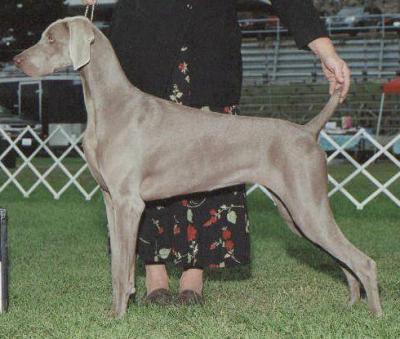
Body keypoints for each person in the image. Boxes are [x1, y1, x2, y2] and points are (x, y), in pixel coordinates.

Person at [82, 0, 351, 305]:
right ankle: (153, 276)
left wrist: (325, 50)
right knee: (139, 175)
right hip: (141, 51)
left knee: (212, 172)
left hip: (211, 54)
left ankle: (193, 277)